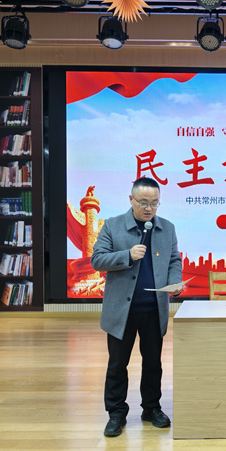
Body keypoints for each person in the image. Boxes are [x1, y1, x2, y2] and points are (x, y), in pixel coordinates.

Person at [91, 176, 182, 437]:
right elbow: (97, 260)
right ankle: (116, 413)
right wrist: (127, 256)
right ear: (131, 199)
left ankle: (151, 408)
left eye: (155, 203)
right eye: (143, 202)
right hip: (122, 310)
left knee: (153, 363)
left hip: (154, 308)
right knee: (117, 364)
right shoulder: (113, 225)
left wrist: (175, 281)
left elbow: (174, 260)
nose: (149, 208)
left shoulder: (167, 228)